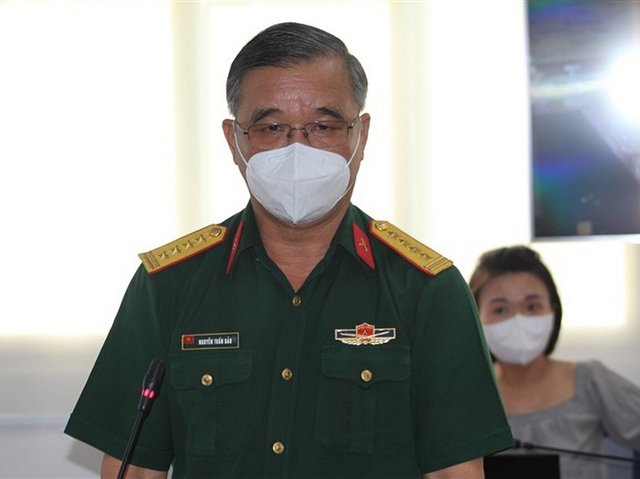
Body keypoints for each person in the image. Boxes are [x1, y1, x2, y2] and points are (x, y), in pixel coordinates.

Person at [65, 22, 513, 478]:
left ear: (360, 135)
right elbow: (135, 471)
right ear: (234, 140)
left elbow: (454, 473)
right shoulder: (168, 285)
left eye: (323, 125)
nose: (297, 147)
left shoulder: (428, 289)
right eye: (272, 126)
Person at [469, 245, 640, 479]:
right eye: (501, 309)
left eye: (532, 306)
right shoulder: (465, 397)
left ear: (553, 310)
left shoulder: (590, 380)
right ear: (475, 317)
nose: (518, 319)